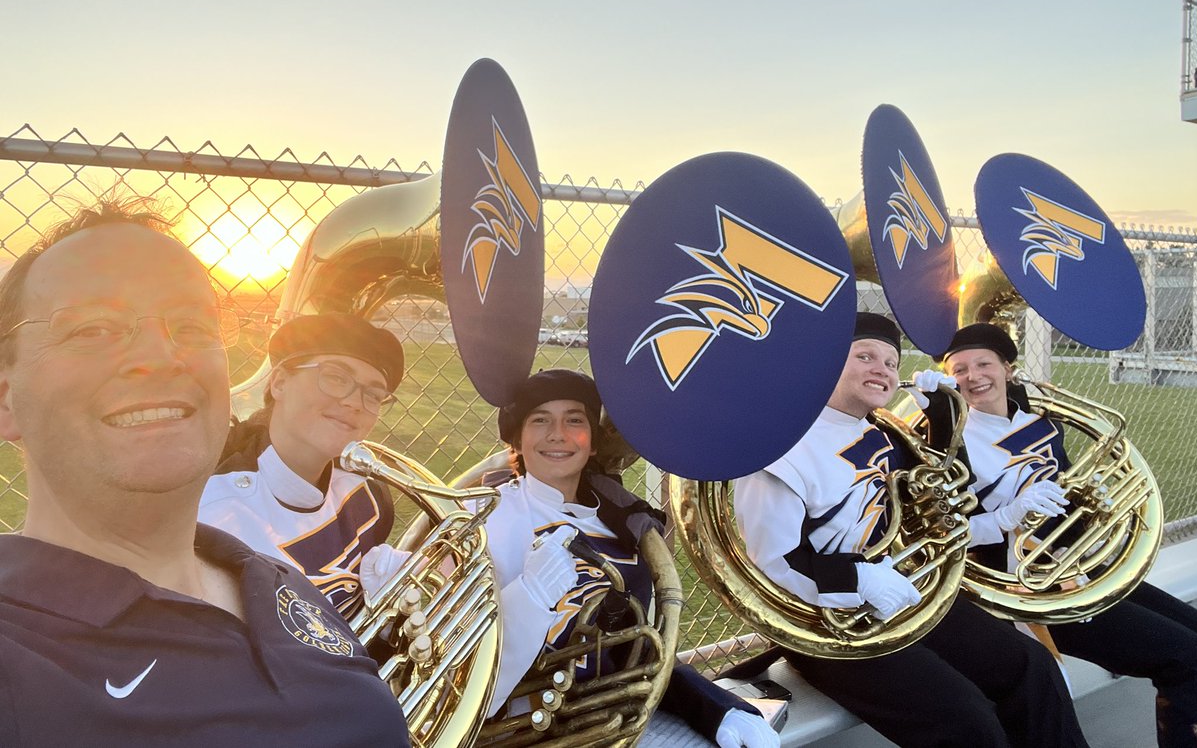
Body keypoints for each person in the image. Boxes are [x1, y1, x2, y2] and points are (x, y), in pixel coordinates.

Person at [0, 196, 408, 746]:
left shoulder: (273, 580)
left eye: (191, 327)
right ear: (6, 398)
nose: (162, 355)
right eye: (92, 329)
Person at [735, 313, 1089, 748]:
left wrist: (944, 419)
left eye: (890, 362)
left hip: (903, 596)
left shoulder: (885, 434)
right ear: (825, 364)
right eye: (865, 356)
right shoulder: (782, 448)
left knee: (1031, 666)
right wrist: (858, 577)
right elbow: (773, 562)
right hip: (828, 626)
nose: (882, 369)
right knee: (965, 719)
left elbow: (937, 500)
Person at [921, 321, 1197, 748]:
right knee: (1186, 658)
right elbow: (947, 532)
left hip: (1080, 567)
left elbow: (1067, 498)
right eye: (958, 369)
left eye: (983, 363)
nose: (972, 376)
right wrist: (1009, 511)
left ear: (1008, 369)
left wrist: (1092, 503)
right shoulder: (947, 442)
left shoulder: (1042, 425)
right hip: (1032, 593)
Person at [485, 368, 779, 748]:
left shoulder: (622, 529)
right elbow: (466, 677)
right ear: (517, 440)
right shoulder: (484, 518)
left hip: (608, 724)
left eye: (574, 420)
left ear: (592, 442)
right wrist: (529, 597)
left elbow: (636, 653)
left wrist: (716, 707)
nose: (557, 433)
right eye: (540, 420)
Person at [201, 312, 408, 618]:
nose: (354, 402)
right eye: (337, 378)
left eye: (373, 394)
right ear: (280, 382)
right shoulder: (211, 510)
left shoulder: (370, 496)